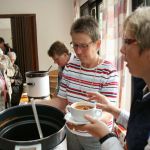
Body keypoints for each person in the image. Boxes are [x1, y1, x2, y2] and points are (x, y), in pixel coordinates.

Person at [72, 7, 150, 150]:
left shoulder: (109, 70)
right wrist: (116, 111)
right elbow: (141, 127)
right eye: (75, 45)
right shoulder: (144, 88)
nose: (121, 49)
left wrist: (105, 135)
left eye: (127, 41)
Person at [37, 16, 119, 150]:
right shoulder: (70, 67)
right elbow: (61, 101)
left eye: (84, 46)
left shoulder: (108, 71)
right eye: (75, 45)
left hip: (97, 136)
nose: (78, 51)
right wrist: (35, 104)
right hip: (71, 132)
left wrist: (86, 121)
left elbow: (109, 112)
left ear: (97, 44)